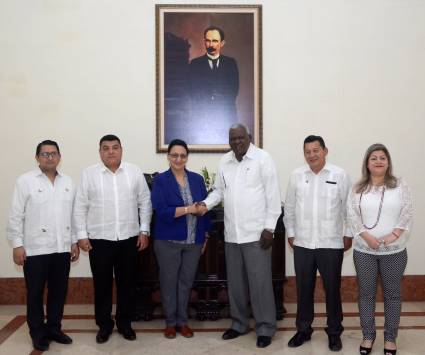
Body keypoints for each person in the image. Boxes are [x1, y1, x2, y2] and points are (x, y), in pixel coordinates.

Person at [198, 123, 281, 348]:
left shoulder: (263, 159)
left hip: (256, 235)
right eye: (232, 139)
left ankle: (265, 328)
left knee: (260, 284)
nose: (237, 142)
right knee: (235, 284)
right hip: (232, 234)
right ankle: (239, 324)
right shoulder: (225, 161)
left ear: (249, 137)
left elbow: (273, 196)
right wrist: (205, 204)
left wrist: (269, 228)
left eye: (240, 138)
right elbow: (218, 191)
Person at [73, 134, 152, 344]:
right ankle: (104, 325)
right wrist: (81, 235)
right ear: (100, 152)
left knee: (128, 284)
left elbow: (145, 202)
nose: (110, 151)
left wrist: (144, 231)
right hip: (99, 240)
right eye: (105, 148)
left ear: (121, 150)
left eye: (115, 147)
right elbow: (80, 206)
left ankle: (125, 323)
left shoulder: (134, 172)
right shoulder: (89, 174)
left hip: (129, 239)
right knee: (102, 285)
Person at [7, 140, 79, 351]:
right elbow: (16, 215)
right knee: (35, 293)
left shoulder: (68, 182)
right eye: (45, 154)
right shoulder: (25, 181)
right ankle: (37, 332)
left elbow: (74, 215)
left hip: (61, 248)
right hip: (35, 249)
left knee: (58, 291)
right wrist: (17, 245)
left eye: (53, 153)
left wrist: (74, 242)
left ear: (59, 157)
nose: (49, 157)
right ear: (37, 158)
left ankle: (54, 328)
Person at [284, 135, 352, 352]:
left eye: (316, 150)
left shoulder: (339, 174)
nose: (312, 155)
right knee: (304, 289)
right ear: (304, 153)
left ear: (325, 151)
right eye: (307, 151)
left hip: (330, 242)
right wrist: (292, 233)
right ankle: (303, 329)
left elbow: (348, 208)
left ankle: (334, 332)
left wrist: (348, 233)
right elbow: (290, 208)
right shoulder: (296, 175)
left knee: (332, 290)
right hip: (303, 243)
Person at [347, 143, 412, 355]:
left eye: (382, 157)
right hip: (364, 250)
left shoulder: (400, 185)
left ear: (388, 162)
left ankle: (390, 338)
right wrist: (368, 238)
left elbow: (407, 212)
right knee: (366, 295)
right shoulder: (357, 188)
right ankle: (368, 336)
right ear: (367, 162)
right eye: (373, 157)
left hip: (394, 251)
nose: (378, 161)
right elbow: (352, 215)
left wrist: (392, 236)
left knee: (393, 295)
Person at [151, 139, 210, 339]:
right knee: (168, 283)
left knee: (186, 282)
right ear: (168, 157)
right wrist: (188, 209)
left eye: (182, 155)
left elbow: (205, 209)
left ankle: (183, 322)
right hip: (168, 241)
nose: (178, 159)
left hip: (194, 242)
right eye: (174, 155)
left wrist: (205, 235)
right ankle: (170, 323)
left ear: (187, 157)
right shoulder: (160, 180)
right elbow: (161, 211)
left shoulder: (197, 179)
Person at [188, 26, 239, 144]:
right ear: (204, 42)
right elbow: (191, 91)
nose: (211, 44)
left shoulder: (231, 64)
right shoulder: (194, 64)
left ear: (222, 43)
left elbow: (233, 90)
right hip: (201, 118)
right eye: (208, 40)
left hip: (226, 116)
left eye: (215, 41)